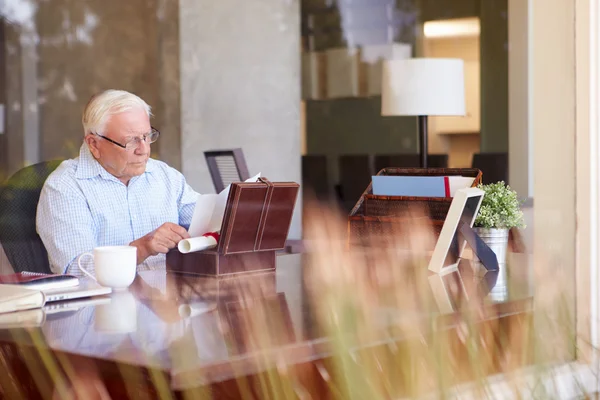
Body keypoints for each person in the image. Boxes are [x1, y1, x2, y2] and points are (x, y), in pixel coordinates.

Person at [37, 89, 198, 275]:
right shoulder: (65, 187)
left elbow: (209, 221)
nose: (144, 150)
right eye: (131, 141)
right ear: (94, 144)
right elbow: (76, 271)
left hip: (170, 299)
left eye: (147, 137)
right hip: (106, 302)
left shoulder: (164, 176)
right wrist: (142, 249)